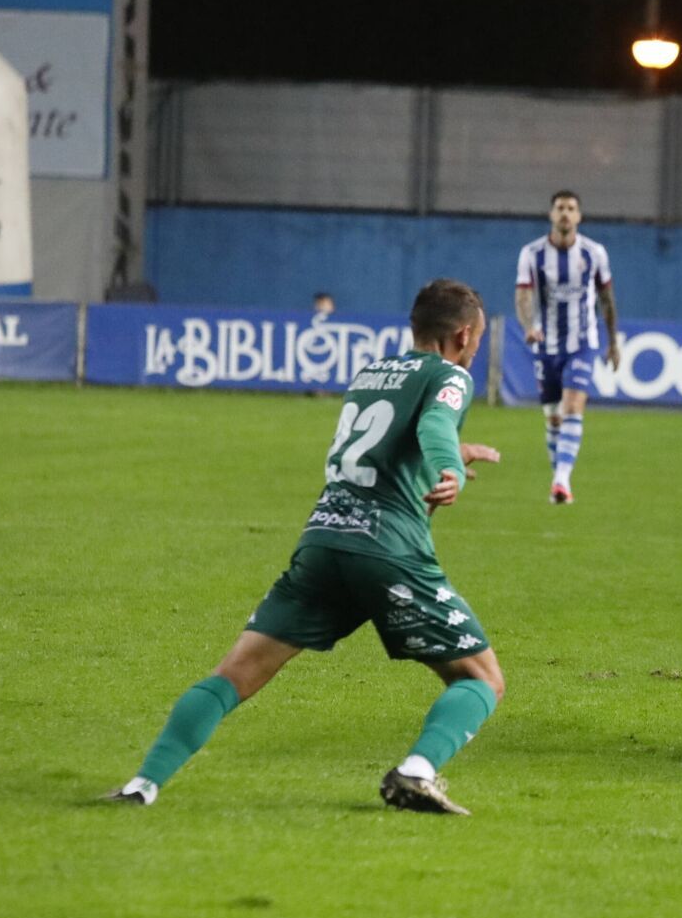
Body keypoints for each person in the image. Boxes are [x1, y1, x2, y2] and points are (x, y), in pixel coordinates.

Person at [106, 279, 506, 815]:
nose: (475, 351)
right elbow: (434, 422)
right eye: (476, 341)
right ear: (462, 335)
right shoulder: (450, 376)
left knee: (235, 673)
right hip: (386, 547)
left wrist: (452, 451)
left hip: (323, 540)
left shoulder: (371, 375)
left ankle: (142, 783)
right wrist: (450, 465)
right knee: (482, 679)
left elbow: (389, 442)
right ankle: (416, 772)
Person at [514, 190, 620, 505]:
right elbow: (522, 296)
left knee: (572, 407)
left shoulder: (594, 253)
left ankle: (562, 481)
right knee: (552, 417)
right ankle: (558, 476)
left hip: (583, 344)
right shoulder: (532, 254)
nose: (565, 213)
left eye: (571, 208)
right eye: (560, 208)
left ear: (579, 216)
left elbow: (606, 299)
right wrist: (528, 326)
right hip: (545, 345)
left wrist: (613, 341)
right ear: (551, 214)